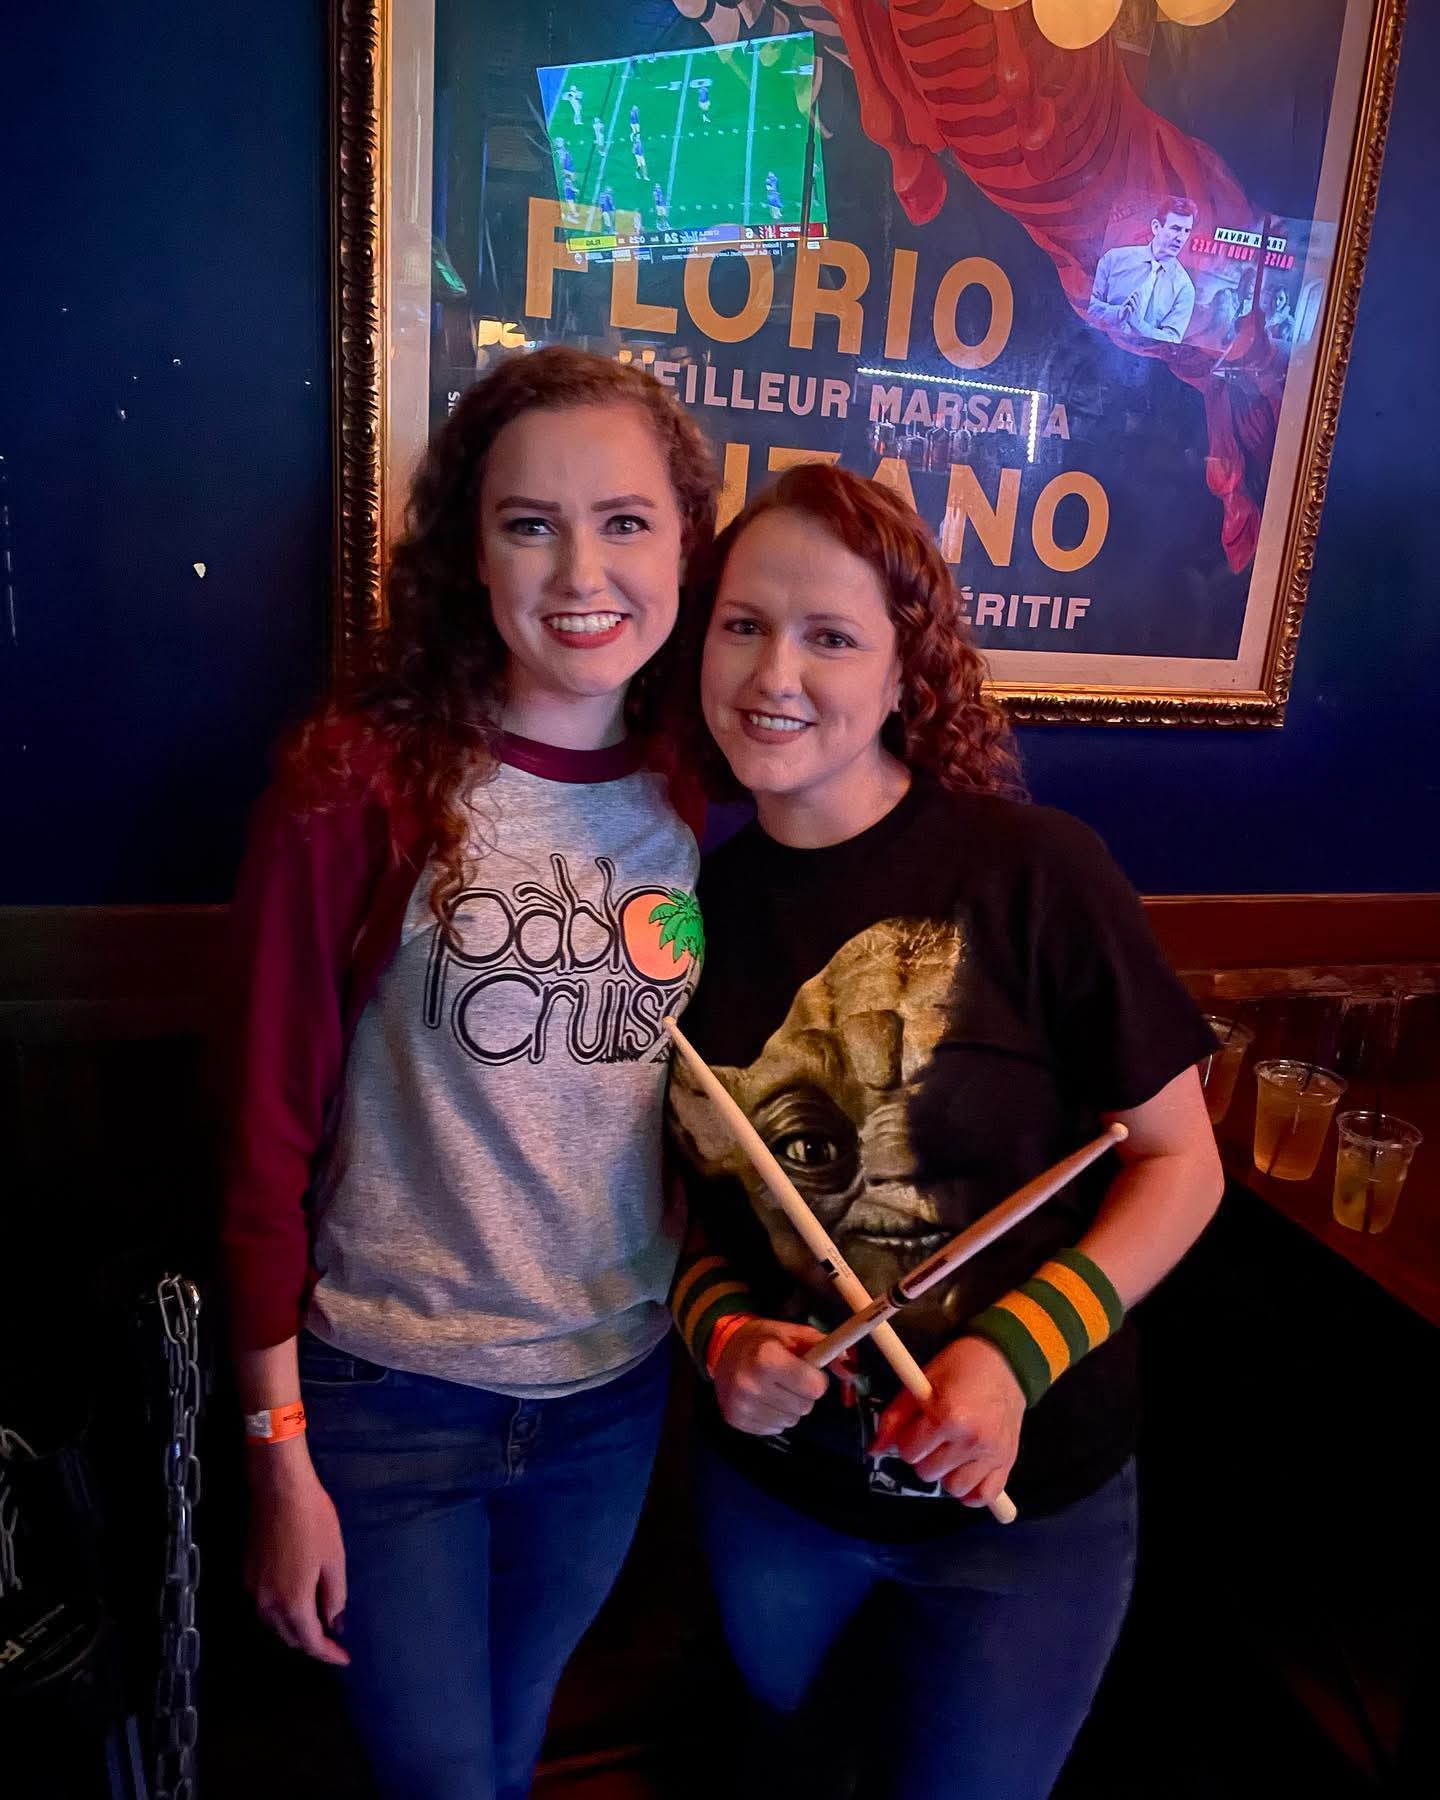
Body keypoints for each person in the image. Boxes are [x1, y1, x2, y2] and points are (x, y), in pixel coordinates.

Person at [667, 464, 1223, 1798]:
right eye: (743, 624)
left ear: (902, 674)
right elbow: (670, 1209)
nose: (775, 672)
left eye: (831, 635)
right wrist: (721, 1333)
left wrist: (1014, 1357)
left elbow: (1179, 1163)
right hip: (775, 1497)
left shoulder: (1037, 872)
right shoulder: (674, 910)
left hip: (1026, 1512)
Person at [224, 346, 715, 1800]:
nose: (582, 571)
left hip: (611, 1396)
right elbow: (259, 1139)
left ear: (686, 546)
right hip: (388, 1396)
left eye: (625, 522)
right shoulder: (357, 787)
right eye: (529, 524)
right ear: (471, 555)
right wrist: (274, 1453)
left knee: (513, 1749)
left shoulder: (709, 795)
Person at [1088, 195, 1198, 345]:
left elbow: (1171, 340)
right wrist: (1118, 314)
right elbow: (1087, 305)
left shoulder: (1184, 288)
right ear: (1156, 227)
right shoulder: (1113, 259)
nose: (1181, 237)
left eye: (1187, 231)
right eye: (1175, 228)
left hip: (1141, 358)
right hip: (1094, 345)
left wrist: (1139, 325)